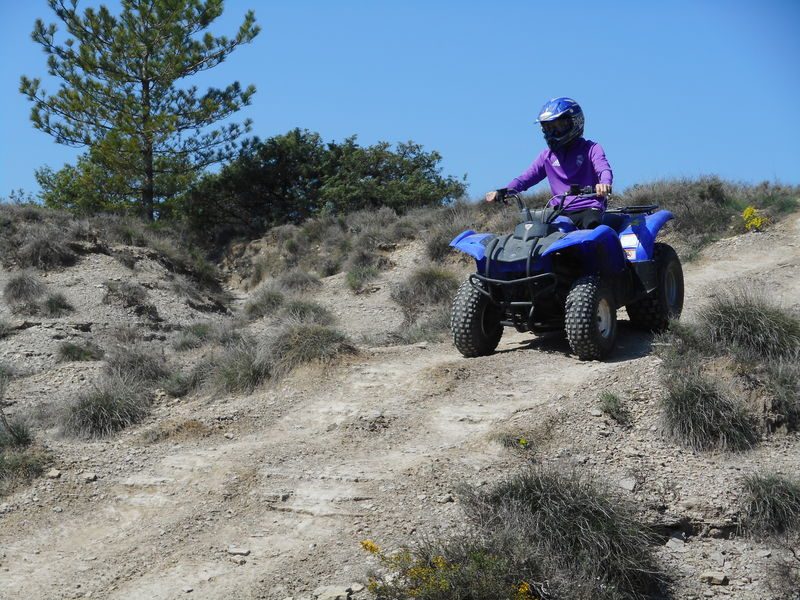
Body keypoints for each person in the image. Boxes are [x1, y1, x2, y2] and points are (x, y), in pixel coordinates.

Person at [485, 97, 613, 229]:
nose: (552, 133)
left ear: (575, 122)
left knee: (593, 233)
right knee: (537, 235)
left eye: (557, 126)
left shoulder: (592, 148)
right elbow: (525, 179)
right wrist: (504, 191)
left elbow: (603, 169)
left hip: (589, 208)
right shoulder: (547, 156)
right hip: (559, 213)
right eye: (547, 128)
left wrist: (604, 184)